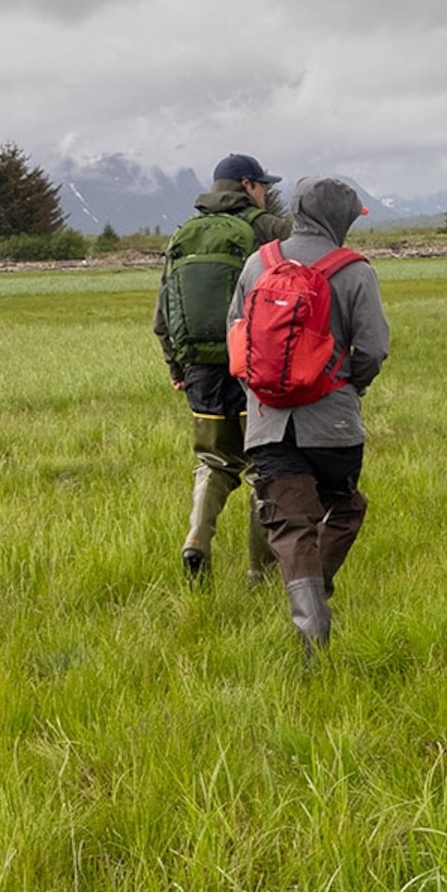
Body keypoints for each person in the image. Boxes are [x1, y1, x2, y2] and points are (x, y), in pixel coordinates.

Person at [230, 176, 388, 654]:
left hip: (268, 425)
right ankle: (318, 605)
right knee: (344, 506)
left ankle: (310, 622)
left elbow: (237, 344)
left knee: (290, 524)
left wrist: (262, 393)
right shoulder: (355, 270)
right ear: (341, 218)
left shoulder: (258, 263)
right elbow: (375, 349)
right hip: (334, 426)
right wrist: (348, 389)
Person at [154, 154, 290, 584]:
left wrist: (177, 364)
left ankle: (196, 538)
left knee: (213, 459)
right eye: (263, 185)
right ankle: (260, 573)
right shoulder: (265, 228)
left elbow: (163, 311)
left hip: (200, 367)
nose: (267, 192)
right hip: (254, 365)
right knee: (263, 465)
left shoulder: (183, 235)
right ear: (247, 185)